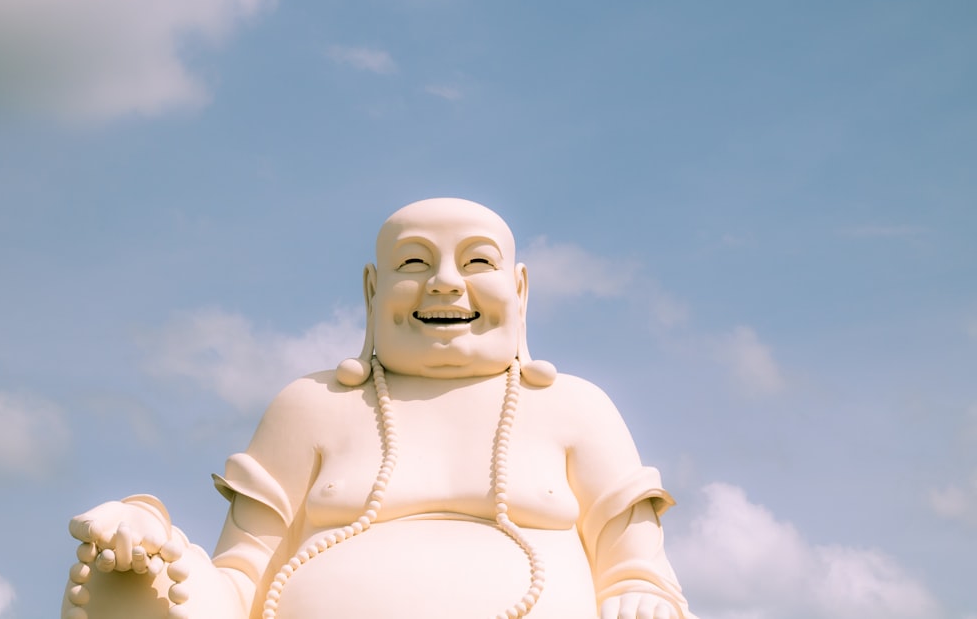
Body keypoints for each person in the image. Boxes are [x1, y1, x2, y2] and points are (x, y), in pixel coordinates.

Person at [63, 198, 698, 619]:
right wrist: (156, 551)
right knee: (140, 567)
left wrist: (640, 595)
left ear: (521, 288)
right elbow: (239, 581)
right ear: (372, 290)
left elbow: (638, 573)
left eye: (477, 261)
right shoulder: (310, 407)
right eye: (413, 262)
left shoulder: (575, 409)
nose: (445, 281)